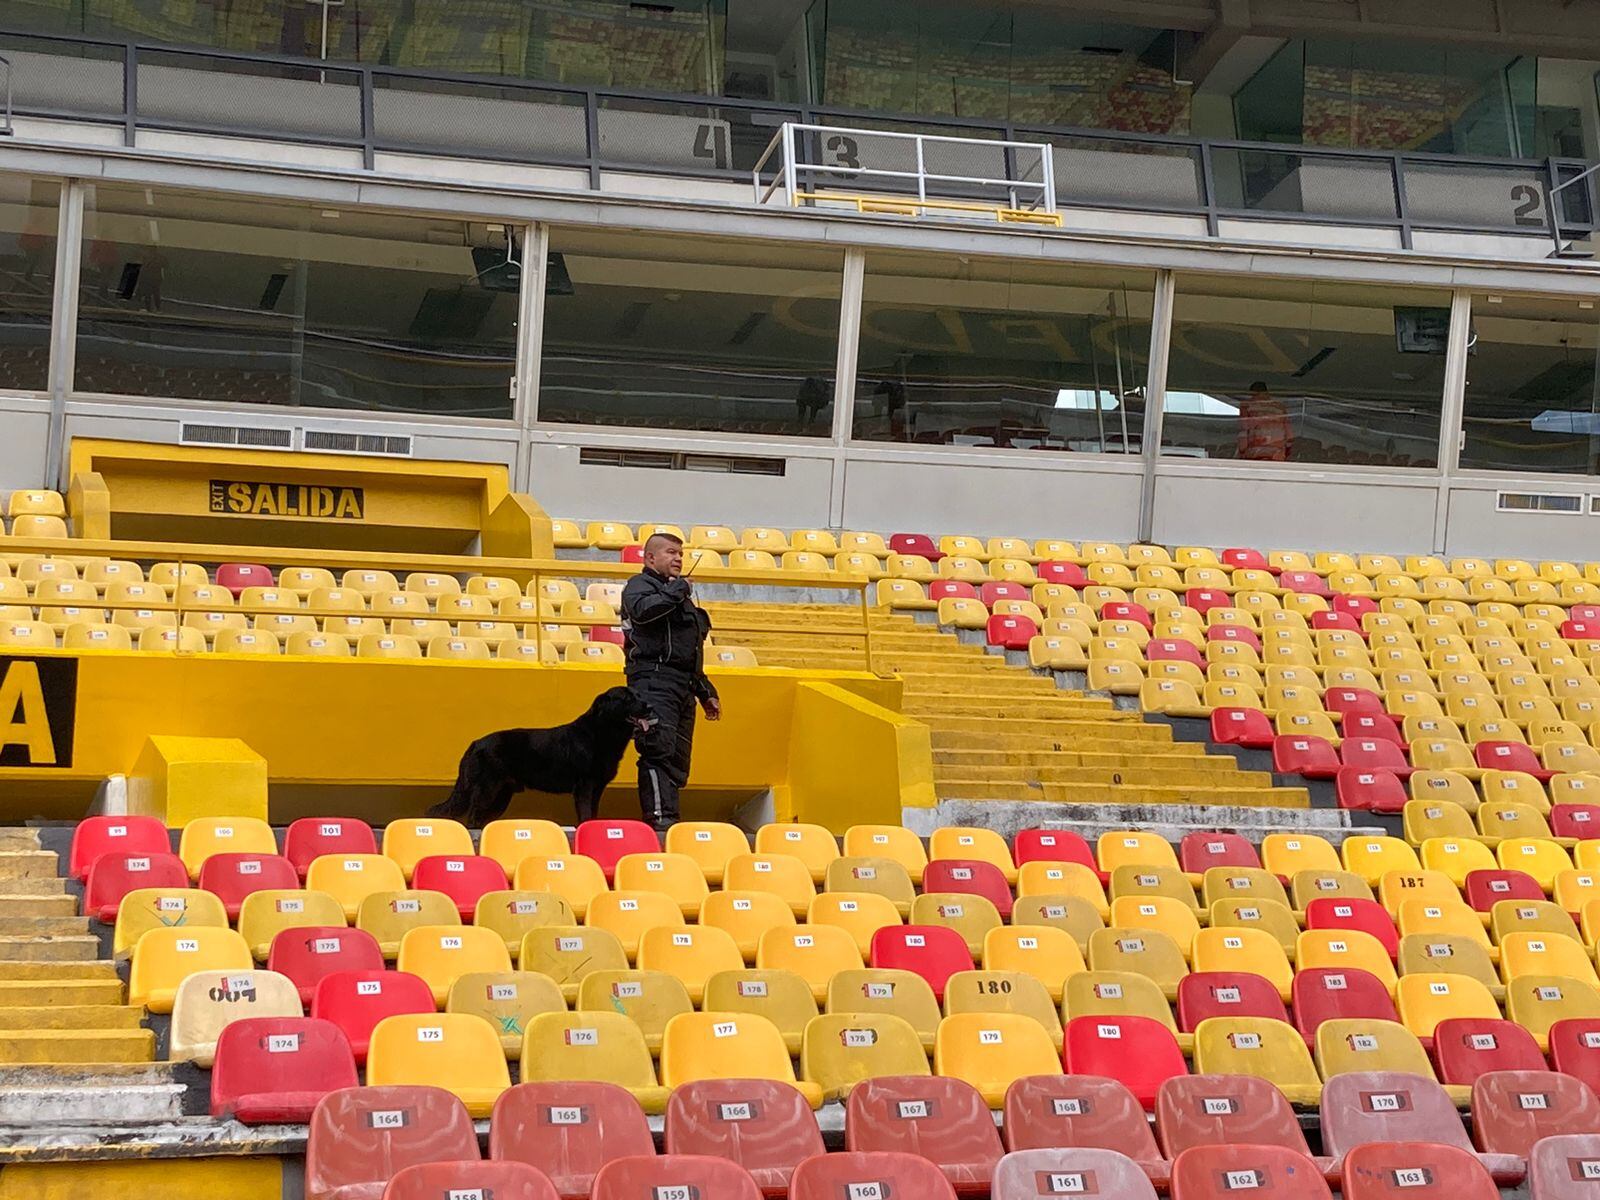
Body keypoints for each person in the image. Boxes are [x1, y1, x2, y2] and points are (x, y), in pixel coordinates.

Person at [620, 531, 721, 833]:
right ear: (650, 557)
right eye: (670, 552)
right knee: (656, 749)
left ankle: (670, 819)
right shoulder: (639, 586)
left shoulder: (678, 595)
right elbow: (643, 612)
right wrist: (678, 591)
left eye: (681, 553)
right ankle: (660, 821)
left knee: (677, 758)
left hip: (682, 686)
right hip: (651, 681)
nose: (678, 558)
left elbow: (690, 651)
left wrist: (706, 692)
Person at [1237, 380, 1292, 462]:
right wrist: (1286, 452)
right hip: (1277, 452)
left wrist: (1242, 452)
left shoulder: (1247, 405)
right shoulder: (1280, 407)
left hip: (1255, 452)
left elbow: (1244, 430)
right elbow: (1290, 436)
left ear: (1253, 392)